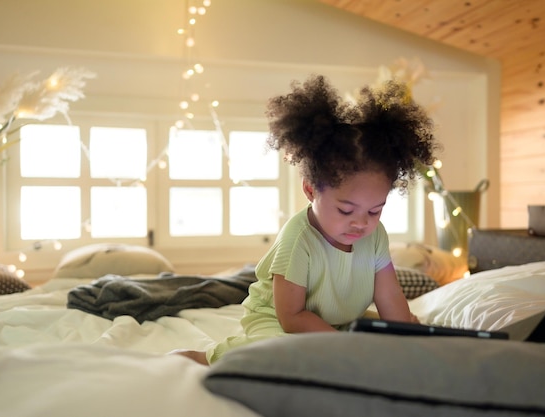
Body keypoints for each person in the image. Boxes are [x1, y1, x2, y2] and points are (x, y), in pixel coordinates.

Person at [174, 74, 439, 366]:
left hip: (338, 321)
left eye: (375, 210)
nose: (361, 223)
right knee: (284, 355)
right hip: (279, 320)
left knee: (381, 340)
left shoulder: (376, 237)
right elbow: (292, 317)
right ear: (310, 189)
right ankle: (199, 357)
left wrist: (409, 337)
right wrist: (344, 347)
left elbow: (390, 297)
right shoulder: (298, 239)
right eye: (346, 210)